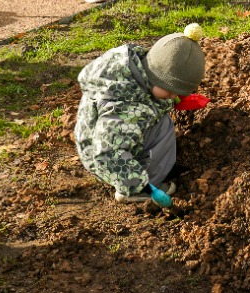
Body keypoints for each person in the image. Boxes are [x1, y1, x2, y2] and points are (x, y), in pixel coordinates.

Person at [74, 25, 207, 203]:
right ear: (156, 78)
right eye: (170, 91)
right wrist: (137, 184)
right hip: (105, 159)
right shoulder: (127, 109)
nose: (173, 96)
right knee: (163, 127)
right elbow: (106, 153)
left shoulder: (133, 66)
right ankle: (139, 188)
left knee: (157, 119)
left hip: (94, 138)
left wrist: (169, 98)